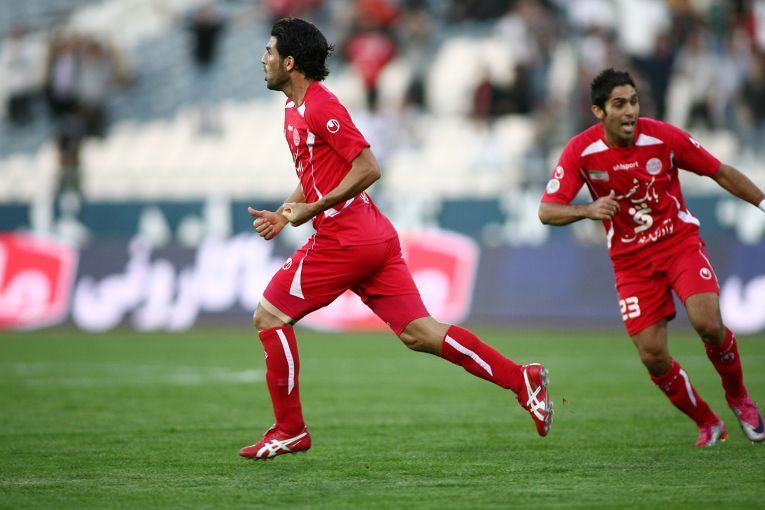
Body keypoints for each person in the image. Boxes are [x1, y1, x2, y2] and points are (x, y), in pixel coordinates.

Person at [239, 17, 552, 460]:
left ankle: (290, 429)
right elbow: (315, 173)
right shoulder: (294, 109)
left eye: (270, 51)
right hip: (370, 235)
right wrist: (285, 211)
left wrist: (313, 209)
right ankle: (522, 379)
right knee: (421, 333)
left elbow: (368, 168)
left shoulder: (321, 106)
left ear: (290, 63)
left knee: (269, 316)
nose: (263, 59)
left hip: (346, 238)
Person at [538, 68, 765, 448]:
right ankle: (708, 422)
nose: (630, 111)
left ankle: (739, 398)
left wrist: (762, 202)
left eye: (633, 102)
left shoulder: (663, 137)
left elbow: (720, 172)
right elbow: (547, 211)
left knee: (708, 323)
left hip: (678, 244)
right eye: (619, 104)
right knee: (652, 354)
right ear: (599, 111)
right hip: (631, 262)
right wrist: (588, 210)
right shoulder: (581, 150)